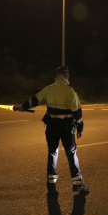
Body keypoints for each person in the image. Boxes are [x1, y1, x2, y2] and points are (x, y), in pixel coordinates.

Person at [18, 65, 89, 193]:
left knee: (52, 152)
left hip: (51, 127)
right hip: (66, 128)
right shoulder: (70, 91)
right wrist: (80, 127)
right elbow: (77, 112)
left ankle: (51, 185)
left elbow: (34, 100)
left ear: (56, 76)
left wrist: (23, 107)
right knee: (71, 153)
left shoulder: (49, 90)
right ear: (66, 76)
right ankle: (77, 183)